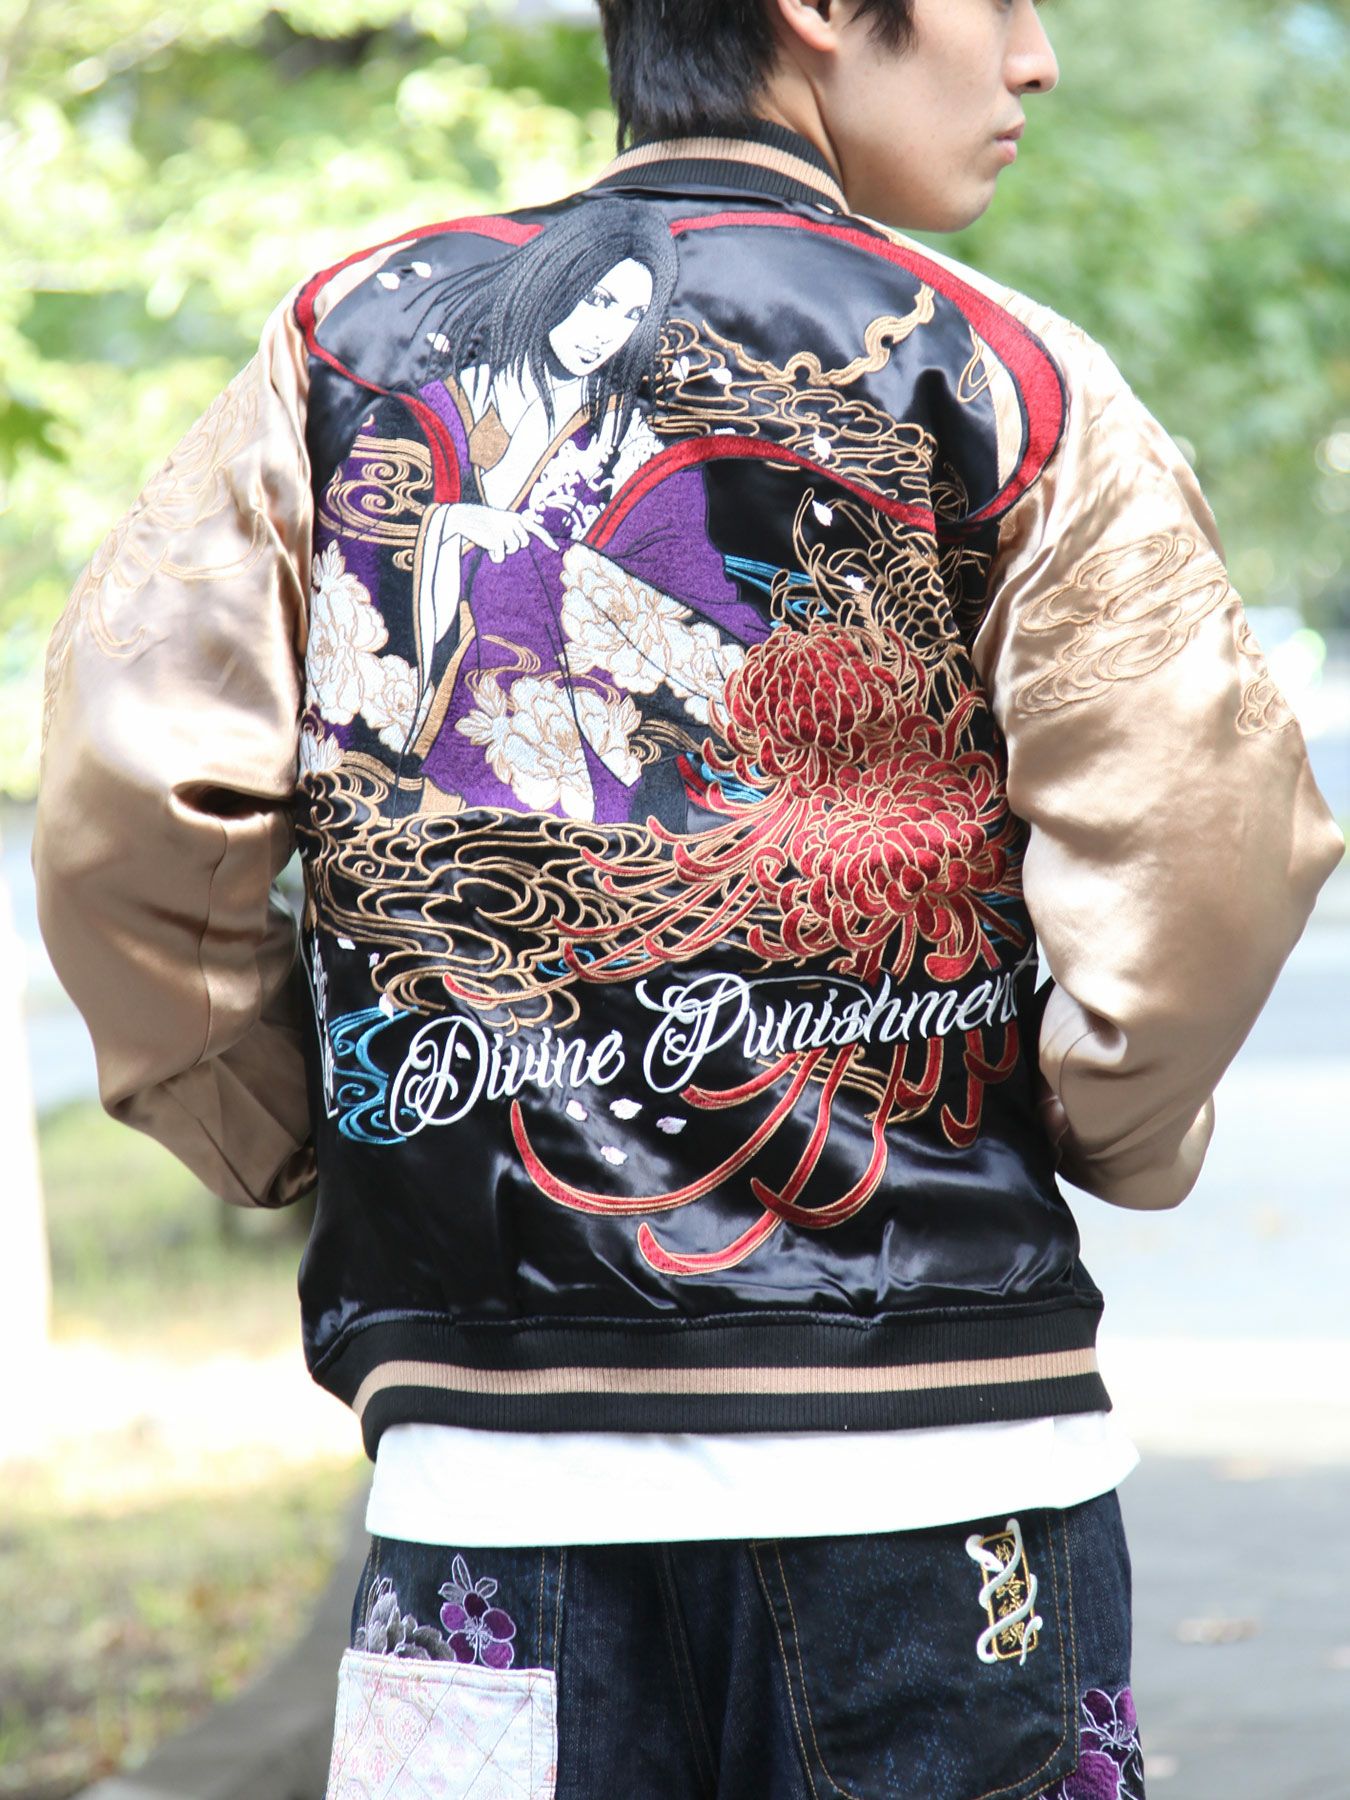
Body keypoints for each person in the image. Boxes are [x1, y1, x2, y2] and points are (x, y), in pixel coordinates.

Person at [33, 0, 1343, 1793]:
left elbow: (128, 811)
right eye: (1002, 0)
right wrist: (1095, 1119)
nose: (1034, 57)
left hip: (486, 1482)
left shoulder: (343, 345)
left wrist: (296, 1128)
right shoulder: (1005, 373)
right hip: (932, 1464)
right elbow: (1204, 837)